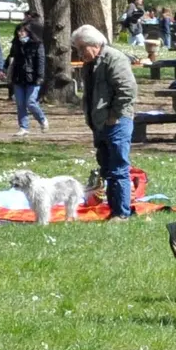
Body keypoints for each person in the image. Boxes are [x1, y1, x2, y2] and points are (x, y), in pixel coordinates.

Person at [74, 25, 139, 222]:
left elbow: (128, 90)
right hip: (100, 123)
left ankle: (121, 213)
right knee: (106, 167)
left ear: (94, 44)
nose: (79, 53)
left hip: (117, 122)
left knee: (118, 167)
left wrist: (114, 115)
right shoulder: (90, 64)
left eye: (81, 48)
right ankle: (113, 209)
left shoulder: (114, 58)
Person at [4, 17, 48, 134]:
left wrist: (40, 77)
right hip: (18, 77)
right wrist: (4, 69)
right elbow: (11, 58)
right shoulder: (16, 44)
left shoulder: (37, 44)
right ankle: (23, 127)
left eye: (22, 31)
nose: (20, 33)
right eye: (18, 31)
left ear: (28, 32)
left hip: (32, 78)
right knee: (20, 103)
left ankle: (42, 119)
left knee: (31, 102)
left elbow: (40, 61)